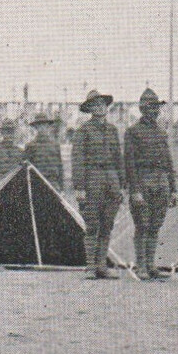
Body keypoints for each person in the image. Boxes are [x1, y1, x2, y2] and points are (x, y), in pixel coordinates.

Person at [124, 88, 177, 281]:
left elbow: (168, 162)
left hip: (161, 182)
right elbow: (129, 164)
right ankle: (141, 266)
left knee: (155, 225)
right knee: (142, 224)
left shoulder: (161, 132)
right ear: (142, 109)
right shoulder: (133, 132)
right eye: (149, 107)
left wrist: (173, 189)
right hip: (143, 181)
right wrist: (135, 190)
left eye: (156, 108)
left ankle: (151, 265)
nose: (154, 111)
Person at [70, 89, 123, 279]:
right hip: (92, 179)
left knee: (107, 224)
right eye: (95, 105)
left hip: (111, 180)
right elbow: (78, 160)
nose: (100, 108)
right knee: (92, 224)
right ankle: (91, 266)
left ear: (106, 107)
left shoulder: (112, 130)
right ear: (90, 109)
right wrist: (79, 187)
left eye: (102, 104)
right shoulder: (83, 131)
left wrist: (121, 184)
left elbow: (118, 158)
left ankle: (102, 266)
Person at [23, 114, 63, 190]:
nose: (42, 128)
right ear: (35, 127)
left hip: (53, 183)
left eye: (44, 125)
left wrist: (61, 188)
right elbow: (26, 168)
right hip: (37, 184)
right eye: (39, 126)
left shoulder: (55, 145)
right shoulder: (30, 146)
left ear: (48, 126)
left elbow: (60, 167)